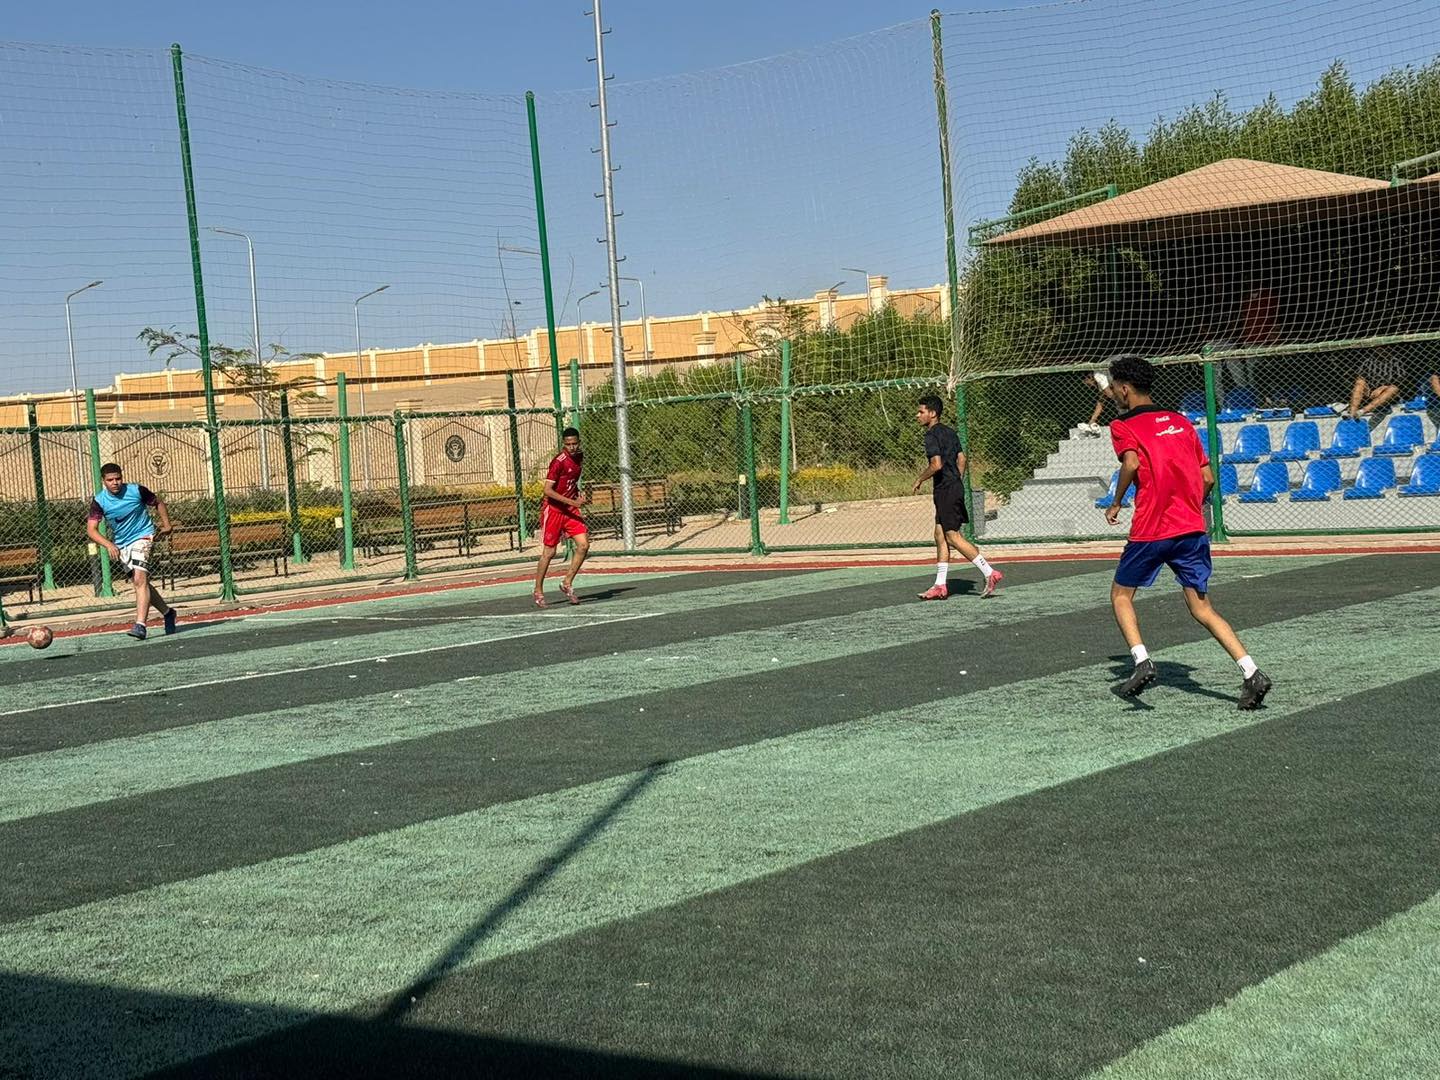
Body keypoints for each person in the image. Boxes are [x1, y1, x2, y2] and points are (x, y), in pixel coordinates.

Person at [1102, 355, 1271, 708]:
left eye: (1114, 387)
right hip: (1191, 529)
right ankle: (1251, 671)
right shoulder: (1180, 421)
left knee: (1120, 595)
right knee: (1202, 609)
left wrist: (1116, 502)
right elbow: (1207, 478)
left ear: (1125, 389)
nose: (1113, 393)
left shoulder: (1123, 425)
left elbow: (1131, 462)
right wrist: (1190, 504)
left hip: (1152, 529)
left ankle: (1141, 660)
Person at [912, 395, 1002, 600]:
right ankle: (940, 585)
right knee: (939, 534)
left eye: (921, 411)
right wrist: (956, 480)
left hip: (946, 490)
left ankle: (990, 572)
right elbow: (962, 459)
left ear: (932, 413)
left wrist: (920, 479)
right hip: (953, 488)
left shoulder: (931, 435)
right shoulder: (950, 432)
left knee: (953, 536)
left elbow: (936, 465)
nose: (917, 415)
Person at [86, 462, 177, 640]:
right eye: (110, 480)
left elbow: (158, 502)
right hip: (122, 544)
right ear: (103, 481)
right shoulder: (99, 501)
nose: (115, 483)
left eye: (118, 478)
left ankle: (140, 625)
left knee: (139, 579)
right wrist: (109, 545)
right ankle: (168, 613)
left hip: (144, 536)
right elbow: (91, 529)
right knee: (141, 583)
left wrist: (167, 524)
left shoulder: (136, 491)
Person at [533, 427, 590, 608]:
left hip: (570, 510)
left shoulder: (579, 457)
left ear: (579, 442)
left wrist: (578, 494)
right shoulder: (558, 462)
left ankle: (567, 583)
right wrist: (572, 502)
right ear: (563, 444)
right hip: (554, 510)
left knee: (583, 545)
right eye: (568, 444)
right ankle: (538, 590)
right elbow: (548, 490)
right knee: (549, 553)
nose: (572, 447)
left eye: (575, 443)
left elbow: (571, 482)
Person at [1346, 347, 1406, 426]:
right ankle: (1352, 412)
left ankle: (1362, 412)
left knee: (1393, 389)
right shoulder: (1369, 360)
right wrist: (1367, 387)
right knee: (1360, 382)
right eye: (1377, 349)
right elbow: (1361, 377)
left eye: (1382, 348)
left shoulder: (1396, 361)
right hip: (1370, 392)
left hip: (1387, 393)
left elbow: (1399, 381)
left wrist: (1383, 388)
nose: (1379, 350)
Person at [1077, 371, 1114, 437]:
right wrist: (1092, 421)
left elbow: (1109, 394)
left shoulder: (1098, 375)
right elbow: (1100, 403)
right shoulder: (1100, 384)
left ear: (1089, 377)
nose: (1090, 387)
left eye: (1088, 384)